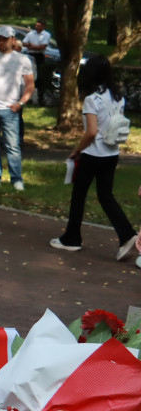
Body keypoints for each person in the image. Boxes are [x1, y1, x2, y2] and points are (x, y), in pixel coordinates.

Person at [50, 56, 138, 261]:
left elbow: (91, 132)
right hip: (112, 154)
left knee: (79, 195)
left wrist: (76, 150)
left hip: (93, 154)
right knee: (106, 196)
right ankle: (127, 234)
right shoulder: (117, 97)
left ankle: (72, 238)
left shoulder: (92, 99)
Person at [0, 25, 34, 190]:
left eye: (5, 39)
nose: (1, 42)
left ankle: (16, 178)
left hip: (9, 108)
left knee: (12, 145)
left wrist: (21, 103)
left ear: (12, 39)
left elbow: (30, 85)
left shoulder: (22, 60)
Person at [22, 20, 51, 100]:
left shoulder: (46, 35)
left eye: (39, 26)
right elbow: (24, 43)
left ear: (43, 26)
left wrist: (32, 46)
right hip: (30, 55)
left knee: (39, 76)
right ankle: (27, 96)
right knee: (28, 74)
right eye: (36, 25)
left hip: (39, 56)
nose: (36, 27)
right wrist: (33, 46)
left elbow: (42, 46)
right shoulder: (31, 33)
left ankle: (40, 97)